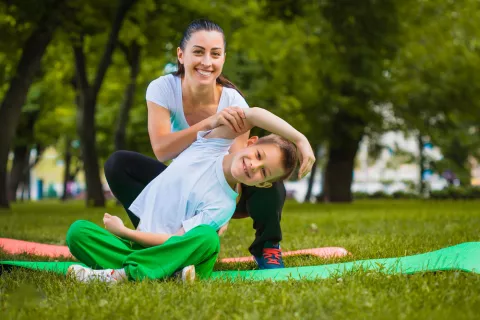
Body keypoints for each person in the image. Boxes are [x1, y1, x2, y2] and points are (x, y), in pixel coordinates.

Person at [103, 19, 312, 269]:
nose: (207, 62)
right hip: (183, 186)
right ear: (181, 55)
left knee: (270, 178)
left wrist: (300, 139)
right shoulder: (162, 89)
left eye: (215, 54)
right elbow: (162, 150)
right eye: (198, 52)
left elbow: (239, 161)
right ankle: (150, 237)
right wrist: (209, 123)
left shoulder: (233, 100)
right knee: (119, 164)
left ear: (223, 59)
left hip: (226, 192)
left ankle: (267, 246)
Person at [67, 107, 315, 283]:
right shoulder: (211, 145)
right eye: (258, 156)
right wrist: (300, 139)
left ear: (262, 185)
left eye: (264, 173)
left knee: (208, 239)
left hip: (171, 247)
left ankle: (123, 274)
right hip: (147, 248)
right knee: (77, 231)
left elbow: (175, 240)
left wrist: (125, 231)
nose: (253, 167)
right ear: (250, 143)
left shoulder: (223, 206)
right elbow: (252, 114)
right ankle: (165, 271)